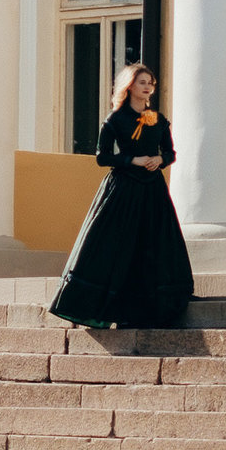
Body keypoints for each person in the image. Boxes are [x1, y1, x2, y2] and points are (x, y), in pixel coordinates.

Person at [50, 63, 194, 329]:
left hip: (152, 190)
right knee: (114, 245)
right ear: (130, 86)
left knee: (154, 243)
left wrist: (159, 159)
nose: (148, 86)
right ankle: (101, 305)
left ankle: (150, 307)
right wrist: (133, 160)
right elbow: (102, 157)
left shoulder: (158, 119)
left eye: (150, 82)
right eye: (142, 82)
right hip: (123, 190)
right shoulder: (115, 120)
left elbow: (171, 153)